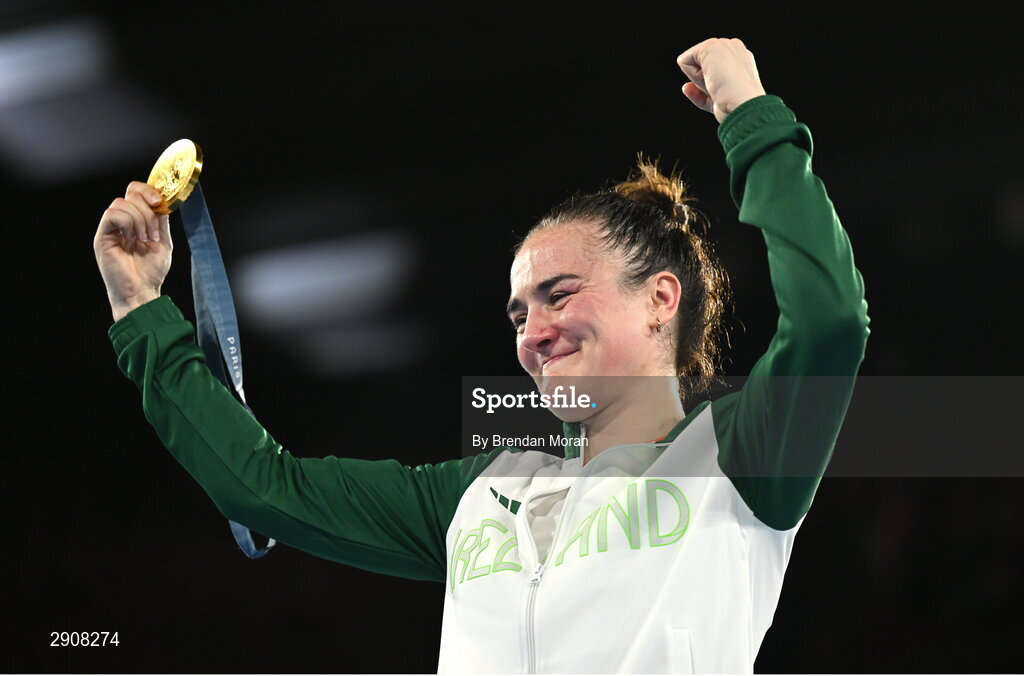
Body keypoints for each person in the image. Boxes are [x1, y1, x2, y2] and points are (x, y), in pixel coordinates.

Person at [94, 38, 869, 673]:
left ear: (661, 299)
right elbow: (264, 488)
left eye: (560, 295)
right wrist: (142, 312)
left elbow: (831, 319)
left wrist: (750, 118)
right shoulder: (480, 494)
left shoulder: (741, 460)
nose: (532, 334)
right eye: (519, 313)